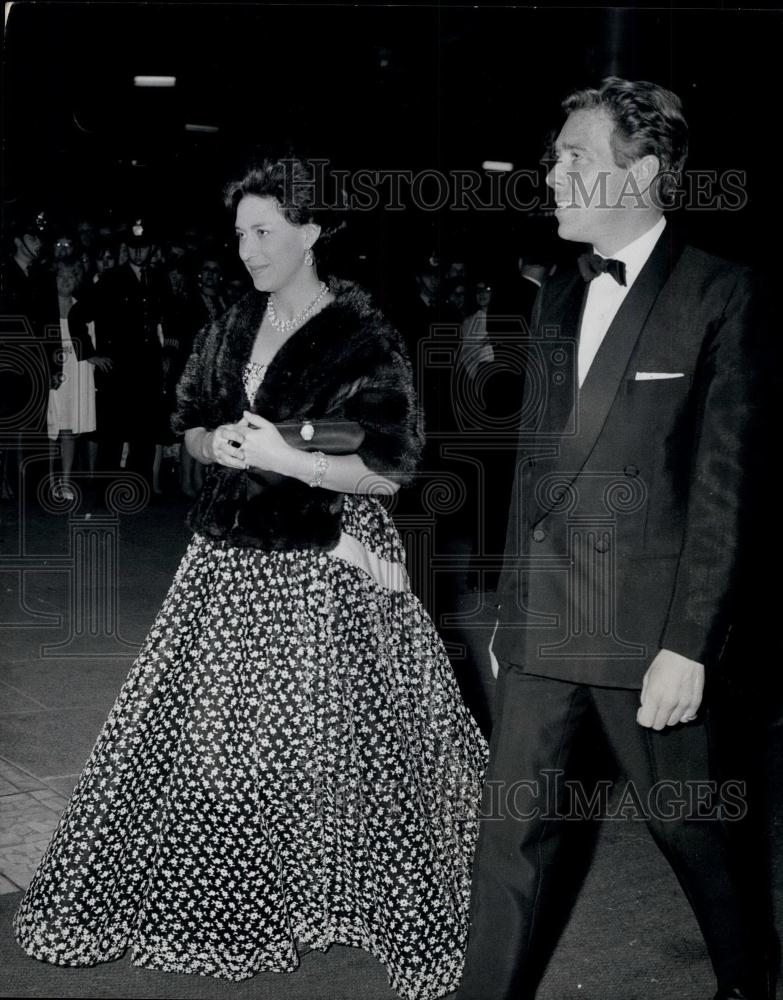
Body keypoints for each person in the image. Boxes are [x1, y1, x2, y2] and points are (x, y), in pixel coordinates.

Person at [14, 157, 488, 1000]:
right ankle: (232, 896)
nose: (248, 249)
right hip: (228, 560)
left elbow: (387, 470)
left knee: (344, 746)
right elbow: (187, 424)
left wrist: (292, 458)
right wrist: (215, 445)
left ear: (312, 232)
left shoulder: (362, 335)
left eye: (264, 231)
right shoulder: (229, 324)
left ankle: (340, 895)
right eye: (240, 234)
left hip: (328, 570)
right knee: (223, 745)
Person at [456, 78, 775, 1000]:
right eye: (554, 156)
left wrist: (690, 644)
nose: (549, 174)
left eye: (572, 159)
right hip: (548, 623)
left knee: (689, 827)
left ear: (637, 175)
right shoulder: (557, 293)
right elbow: (533, 474)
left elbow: (725, 492)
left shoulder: (724, 293)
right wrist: (510, 622)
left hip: (648, 635)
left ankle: (748, 982)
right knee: (510, 834)